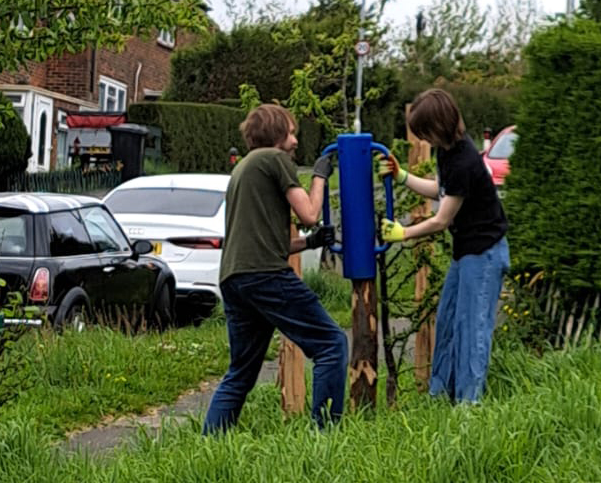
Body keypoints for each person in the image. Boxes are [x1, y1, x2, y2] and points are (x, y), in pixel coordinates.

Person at [202, 104, 348, 434]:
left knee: (240, 371)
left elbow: (265, 241)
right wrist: (321, 177)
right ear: (276, 135)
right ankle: (326, 436)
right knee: (331, 345)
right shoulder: (274, 159)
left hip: (234, 278)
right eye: (291, 132)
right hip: (266, 275)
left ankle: (209, 443)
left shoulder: (241, 170)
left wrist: (309, 245)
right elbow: (310, 214)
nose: (295, 141)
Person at [378, 89, 509, 403]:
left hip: (485, 254)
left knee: (473, 329)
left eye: (425, 131)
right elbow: (442, 190)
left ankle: (469, 404)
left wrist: (403, 233)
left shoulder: (464, 159)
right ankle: (441, 395)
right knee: (449, 319)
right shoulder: (448, 152)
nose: (423, 138)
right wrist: (402, 175)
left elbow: (441, 219)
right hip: (466, 251)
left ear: (440, 125)